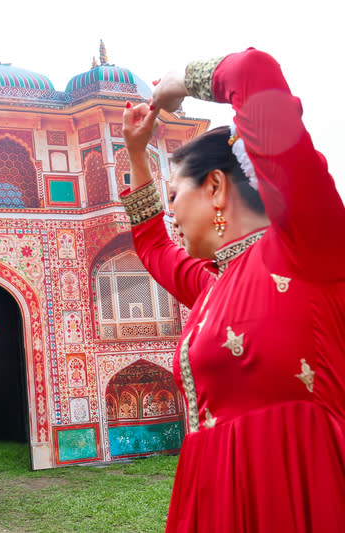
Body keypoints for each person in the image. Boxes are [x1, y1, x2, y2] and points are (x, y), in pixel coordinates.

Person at [121, 48, 345, 532]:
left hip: (298, 496)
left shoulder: (306, 248)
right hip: (214, 497)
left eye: (175, 196)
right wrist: (137, 153)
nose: (172, 214)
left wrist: (172, 86)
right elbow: (153, 242)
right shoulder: (212, 286)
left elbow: (253, 73)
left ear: (216, 187)